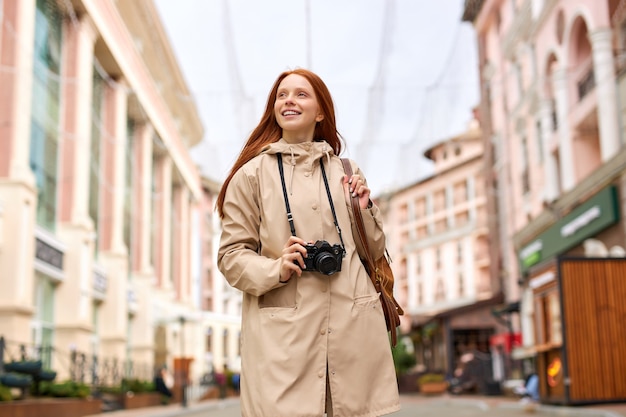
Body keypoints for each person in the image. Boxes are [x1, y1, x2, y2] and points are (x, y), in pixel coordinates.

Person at [217, 68, 400, 417]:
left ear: (320, 112)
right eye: (281, 95)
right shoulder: (251, 175)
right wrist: (276, 267)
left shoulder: (346, 171)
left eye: (301, 94)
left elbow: (373, 251)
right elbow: (231, 256)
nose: (289, 100)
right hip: (285, 337)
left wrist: (364, 209)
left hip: (352, 327)